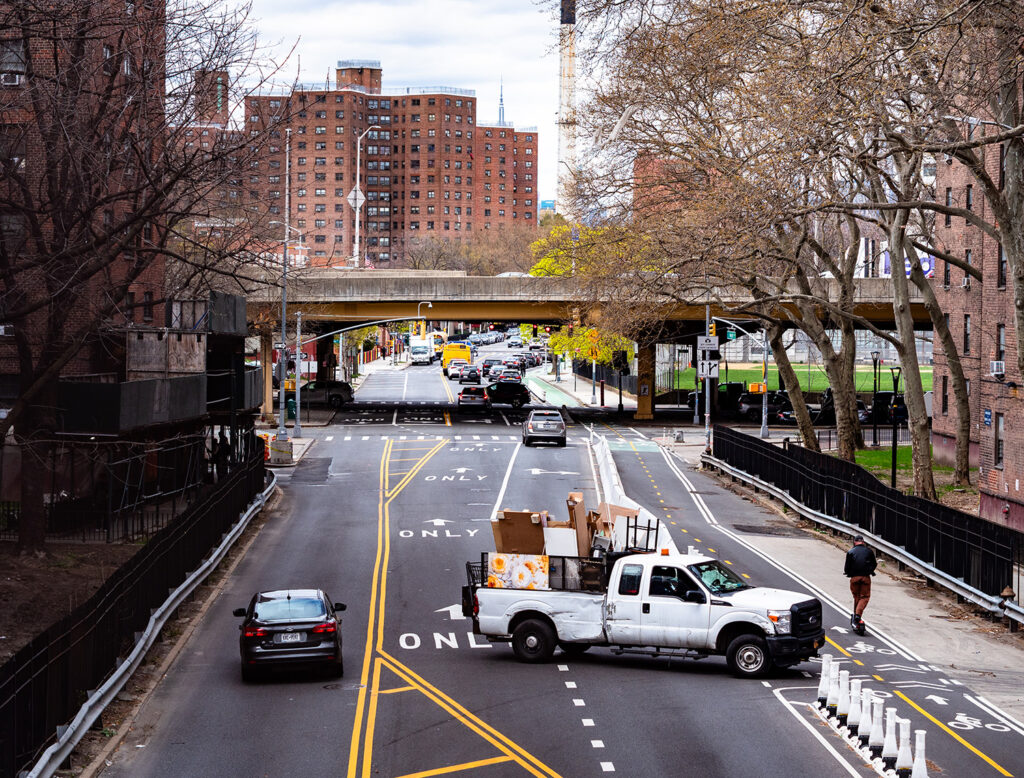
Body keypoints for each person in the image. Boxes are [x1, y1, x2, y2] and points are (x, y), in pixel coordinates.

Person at [844, 535, 877, 636]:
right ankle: (857, 615)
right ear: (863, 542)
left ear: (854, 542)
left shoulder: (850, 552)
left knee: (857, 597)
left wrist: (849, 573)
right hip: (865, 578)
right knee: (865, 597)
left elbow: (846, 567)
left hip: (854, 578)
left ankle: (856, 616)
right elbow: (874, 564)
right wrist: (870, 571)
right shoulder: (869, 551)